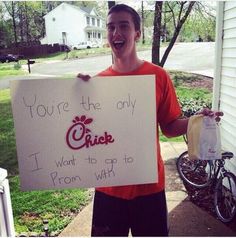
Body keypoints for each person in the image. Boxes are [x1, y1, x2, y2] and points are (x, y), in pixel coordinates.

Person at [77, 4, 222, 236]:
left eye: (124, 26)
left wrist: (197, 120)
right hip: (109, 187)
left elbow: (170, 127)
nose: (116, 33)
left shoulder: (158, 76)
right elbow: (85, 134)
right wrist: (76, 93)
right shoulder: (97, 84)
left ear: (137, 33)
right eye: (111, 27)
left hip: (149, 188)